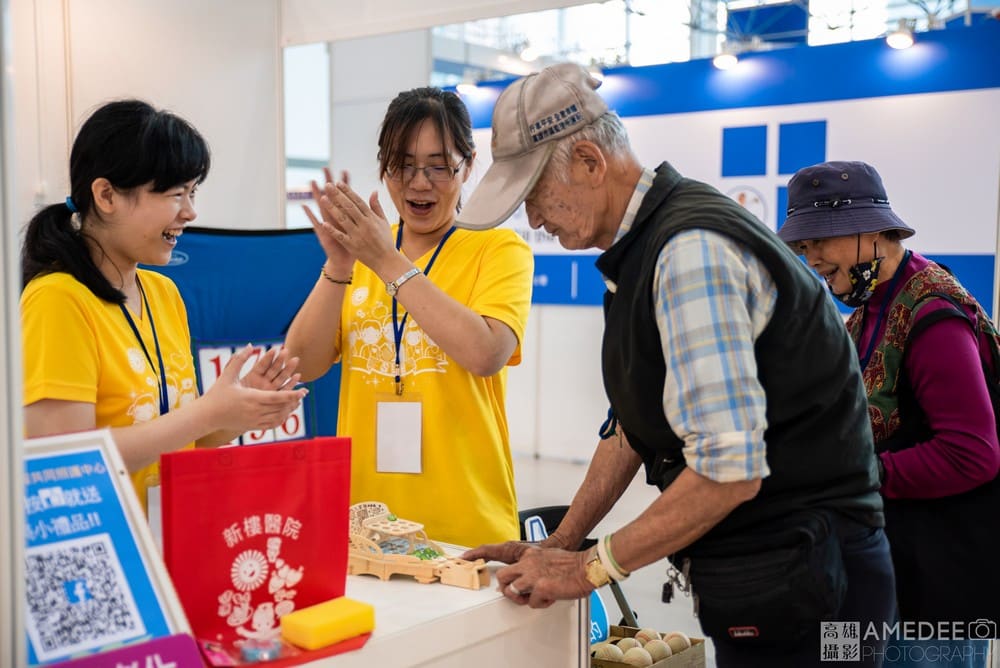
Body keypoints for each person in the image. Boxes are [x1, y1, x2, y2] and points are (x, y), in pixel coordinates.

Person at [456, 63, 895, 666]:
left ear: (589, 161)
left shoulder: (690, 253)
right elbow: (633, 428)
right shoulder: (645, 250)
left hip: (819, 585)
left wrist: (589, 568)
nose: (534, 220)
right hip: (782, 574)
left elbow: (727, 471)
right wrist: (555, 547)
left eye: (534, 195)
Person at [21, 99, 308, 513]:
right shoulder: (57, 299)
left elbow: (183, 435)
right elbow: (65, 462)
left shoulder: (163, 293)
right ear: (106, 195)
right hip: (107, 551)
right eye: (176, 194)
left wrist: (238, 411)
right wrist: (208, 414)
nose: (190, 212)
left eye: (192, 192)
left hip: (176, 540)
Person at [284, 87, 533, 548]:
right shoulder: (362, 252)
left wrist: (387, 260)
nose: (419, 183)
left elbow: (486, 353)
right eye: (402, 164)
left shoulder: (497, 249)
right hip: (365, 525)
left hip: (466, 526)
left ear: (468, 164)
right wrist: (339, 266)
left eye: (439, 166)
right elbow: (302, 364)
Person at [778, 160, 999, 661]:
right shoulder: (869, 308)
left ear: (873, 232)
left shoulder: (934, 313)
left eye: (819, 241)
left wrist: (854, 475)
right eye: (803, 245)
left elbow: (973, 453)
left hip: (932, 591)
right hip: (868, 571)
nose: (810, 258)